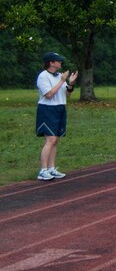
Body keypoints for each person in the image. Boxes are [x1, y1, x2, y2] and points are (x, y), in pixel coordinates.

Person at [36, 52, 79, 181]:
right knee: (50, 140)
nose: (60, 63)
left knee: (55, 140)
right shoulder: (43, 76)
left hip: (60, 108)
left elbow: (67, 94)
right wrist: (61, 81)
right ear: (51, 63)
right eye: (58, 61)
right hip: (48, 109)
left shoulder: (59, 76)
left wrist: (70, 83)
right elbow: (48, 94)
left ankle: (51, 168)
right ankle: (43, 170)